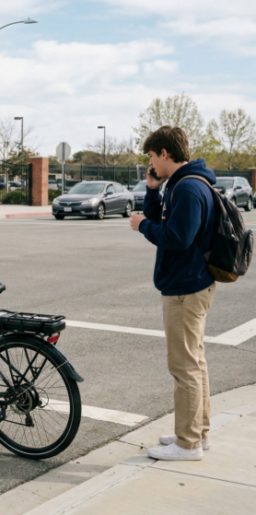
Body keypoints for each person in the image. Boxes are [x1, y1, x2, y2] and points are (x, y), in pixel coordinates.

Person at [130, 125, 217, 462]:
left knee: (184, 368)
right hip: (192, 283)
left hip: (185, 287)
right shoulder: (184, 184)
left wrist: (142, 226)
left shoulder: (188, 188)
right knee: (195, 363)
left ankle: (188, 443)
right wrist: (153, 191)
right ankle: (198, 432)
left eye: (152, 156)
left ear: (164, 153)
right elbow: (165, 221)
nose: (150, 163)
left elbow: (177, 237)